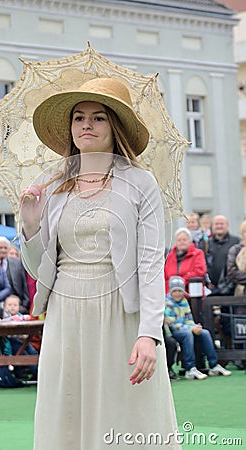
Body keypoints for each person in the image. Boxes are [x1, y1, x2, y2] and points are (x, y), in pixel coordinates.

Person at [20, 77, 180, 449]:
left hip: (121, 315)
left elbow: (152, 264)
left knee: (125, 413)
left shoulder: (141, 183)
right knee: (68, 412)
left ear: (115, 127)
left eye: (98, 117)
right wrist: (30, 225)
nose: (86, 125)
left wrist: (149, 334)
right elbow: (39, 268)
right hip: (66, 314)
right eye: (78, 117)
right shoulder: (52, 184)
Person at [164, 276, 232, 380]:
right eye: (175, 291)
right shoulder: (167, 302)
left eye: (180, 291)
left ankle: (213, 365)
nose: (177, 293)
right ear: (171, 291)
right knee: (188, 334)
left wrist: (195, 326)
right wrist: (191, 329)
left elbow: (189, 319)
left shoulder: (184, 301)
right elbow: (172, 324)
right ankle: (190, 368)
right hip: (174, 332)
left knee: (204, 332)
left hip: (186, 328)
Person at [200, 215, 239, 294]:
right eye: (216, 224)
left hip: (231, 288)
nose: (219, 226)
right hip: (211, 289)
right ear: (212, 226)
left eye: (221, 224)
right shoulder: (205, 243)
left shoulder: (236, 241)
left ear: (227, 226)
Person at [164, 227, 207, 294]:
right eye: (179, 240)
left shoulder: (198, 254)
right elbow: (166, 277)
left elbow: (200, 272)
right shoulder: (170, 256)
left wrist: (179, 282)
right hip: (172, 297)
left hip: (192, 295)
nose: (182, 242)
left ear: (190, 241)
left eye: (184, 240)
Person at [0, 236, 30, 313]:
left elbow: (24, 284)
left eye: (5, 248)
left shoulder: (18, 262)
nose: (3, 250)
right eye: (0, 248)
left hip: (18, 306)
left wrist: (25, 304)